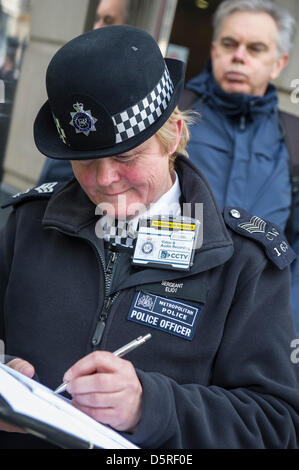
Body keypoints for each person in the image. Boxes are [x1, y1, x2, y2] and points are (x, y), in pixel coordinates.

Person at [0, 25, 299, 450]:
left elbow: (277, 425)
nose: (104, 180)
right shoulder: (28, 223)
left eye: (125, 156)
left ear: (174, 135)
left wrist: (152, 407)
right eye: (84, 161)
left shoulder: (245, 261)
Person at [181, 0, 299, 334]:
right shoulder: (173, 120)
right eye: (230, 44)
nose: (239, 56)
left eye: (255, 48)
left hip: (256, 328)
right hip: (168, 312)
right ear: (215, 49)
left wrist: (284, 325)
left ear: (278, 64)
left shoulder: (294, 139)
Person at [37, 0, 130, 186]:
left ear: (129, 28)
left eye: (108, 19)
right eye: (97, 18)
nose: (98, 27)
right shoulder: (81, 72)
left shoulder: (131, 90)